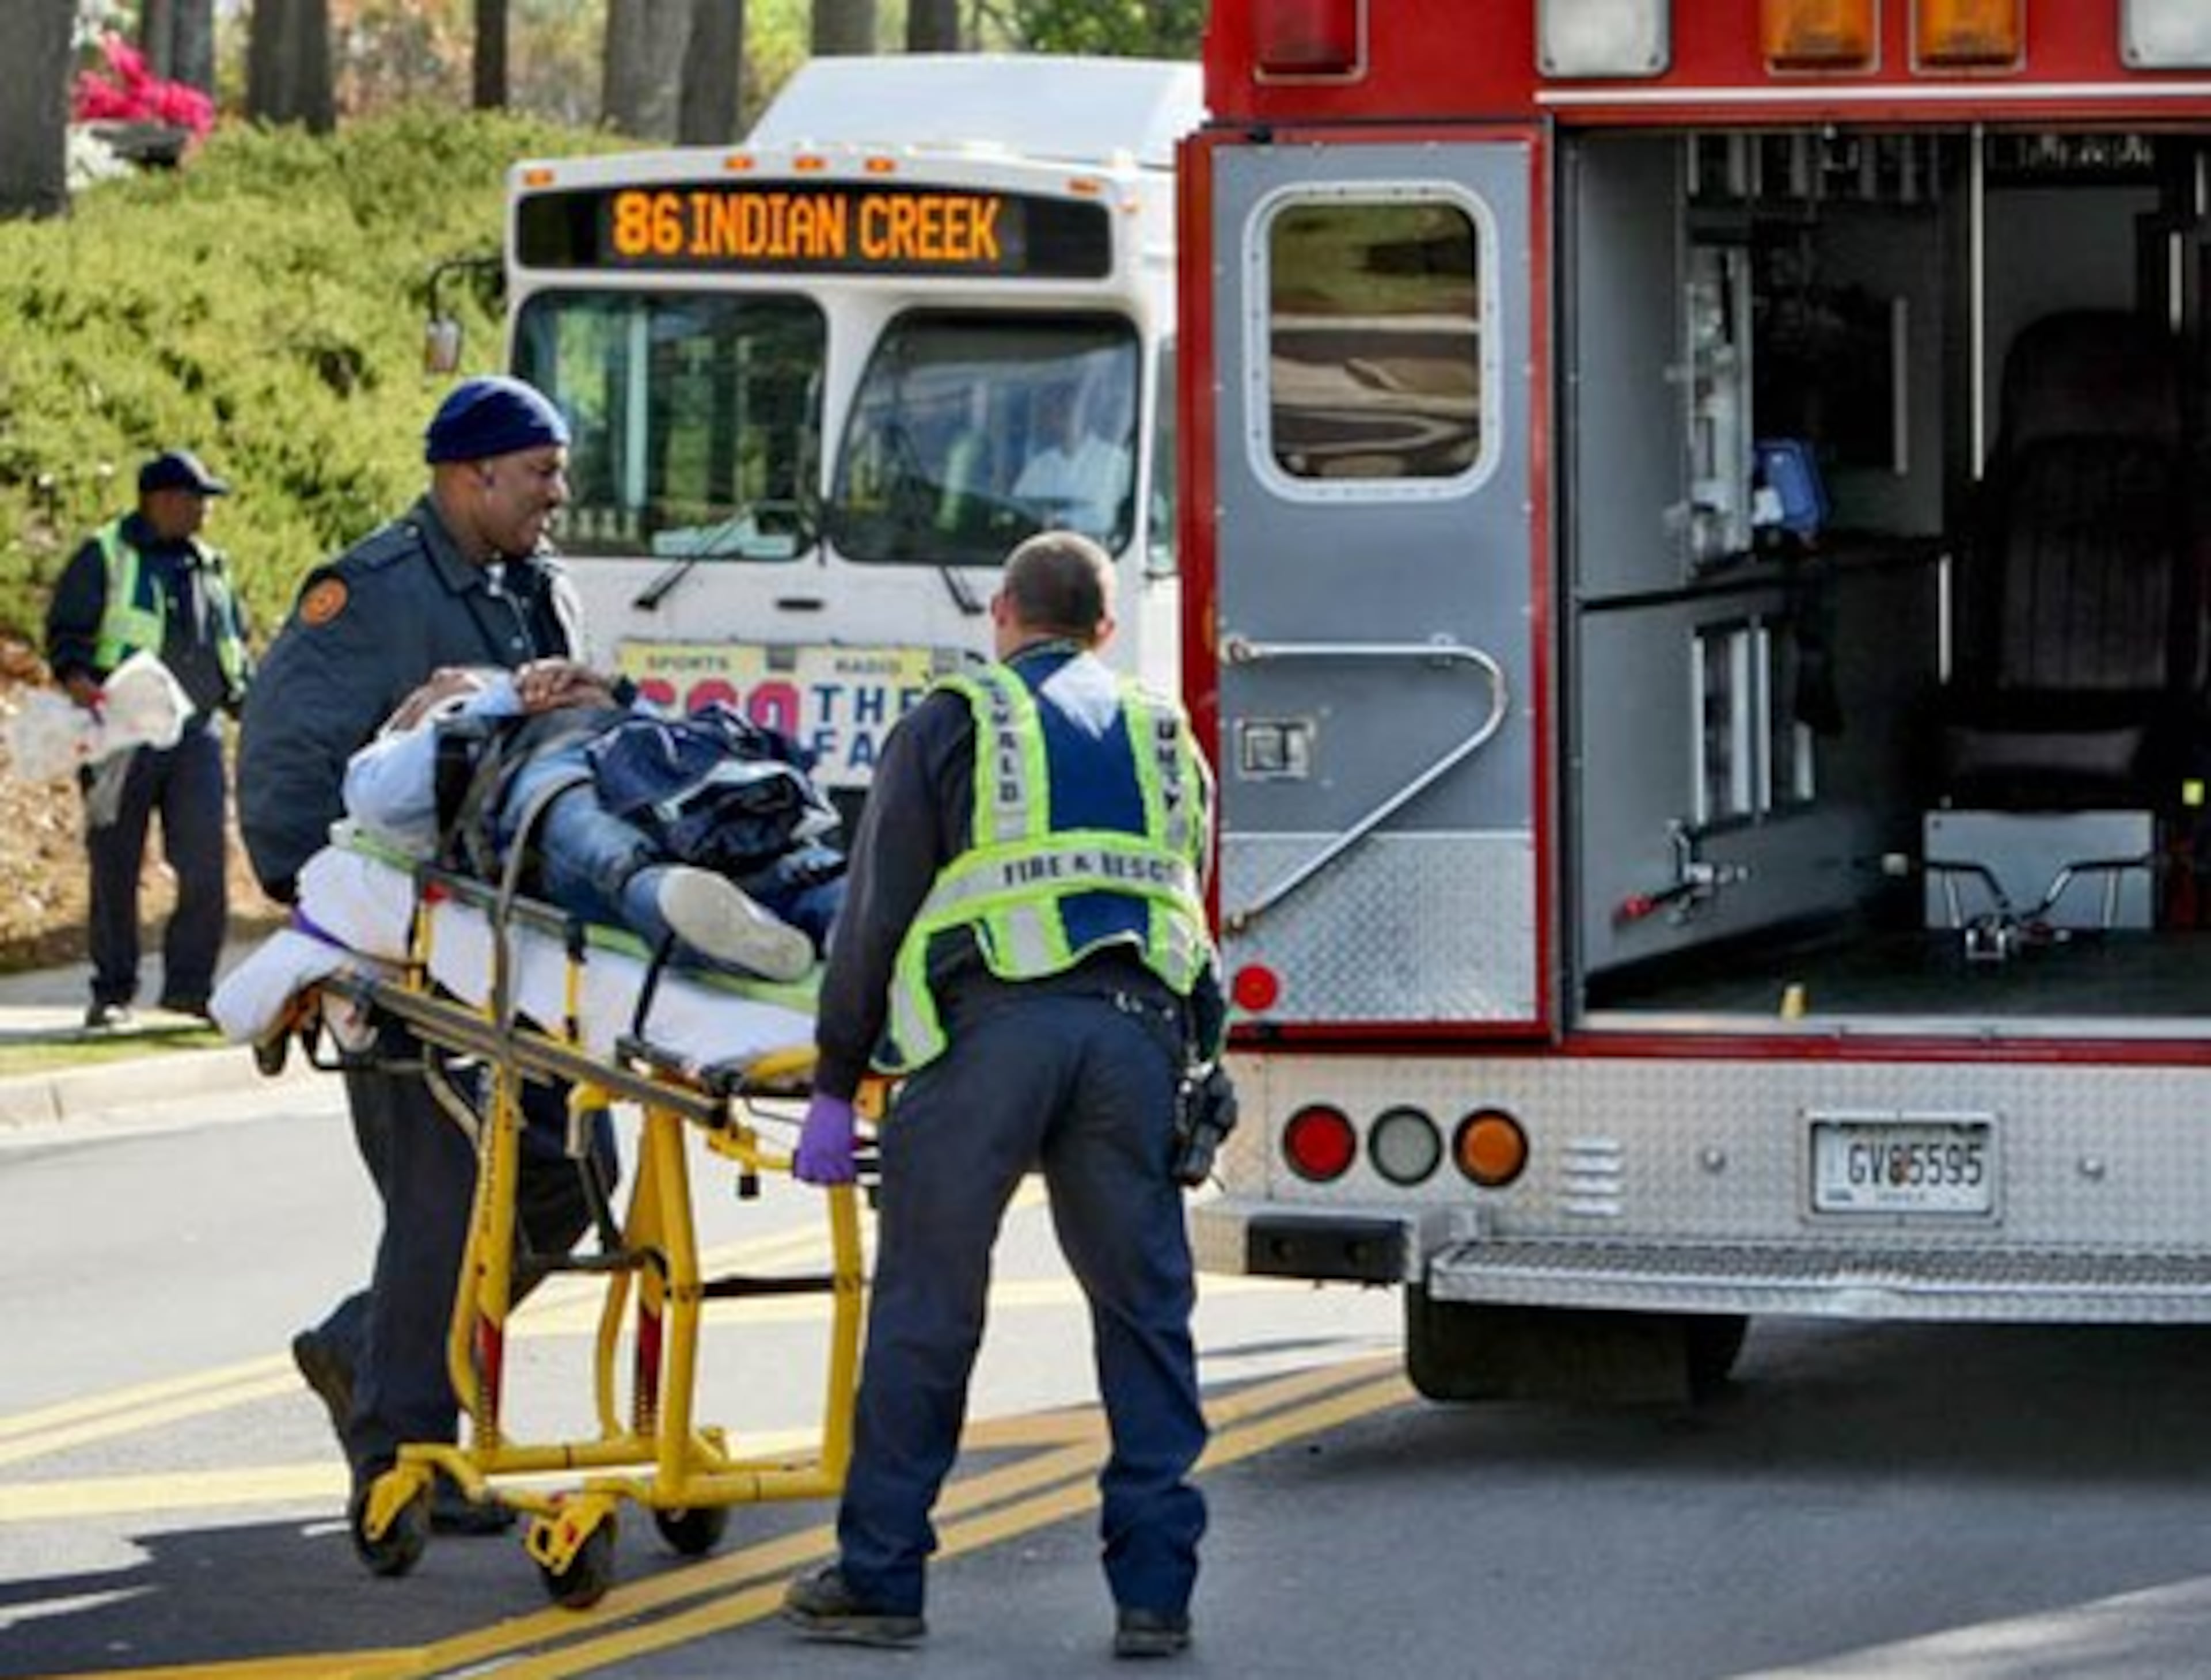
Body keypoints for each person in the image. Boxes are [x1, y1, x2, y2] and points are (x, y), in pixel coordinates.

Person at [781, 531, 1222, 1660]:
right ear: (1105, 631)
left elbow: (878, 911)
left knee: (930, 1311)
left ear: (1003, 614)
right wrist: (1198, 1069)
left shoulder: (954, 721)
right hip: (1134, 1043)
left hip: (988, 1045)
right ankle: (1156, 1597)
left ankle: (881, 1580)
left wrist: (838, 1082)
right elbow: (1189, 910)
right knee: (1145, 1316)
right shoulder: (1166, 734)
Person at [237, 375, 614, 1537]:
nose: (559, 492)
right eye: (541, 472)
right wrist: (332, 933)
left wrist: (580, 695)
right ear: (471, 476)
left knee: (567, 1182)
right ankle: (403, 1461)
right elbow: (285, 774)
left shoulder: (541, 591)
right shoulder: (369, 598)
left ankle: (366, 1346)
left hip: (523, 952)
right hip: (404, 959)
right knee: (443, 1192)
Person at [340, 661, 840, 977]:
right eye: (436, 682)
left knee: (770, 842)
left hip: (649, 771)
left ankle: (847, 913)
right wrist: (504, 697)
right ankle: (675, 901)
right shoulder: (398, 751)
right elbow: (385, 798)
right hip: (546, 778)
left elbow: (671, 735)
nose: (447, 672)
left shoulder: (563, 698)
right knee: (586, 830)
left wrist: (609, 692)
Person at [44, 448, 253, 1030]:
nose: (204, 512)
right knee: (115, 865)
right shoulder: (105, 554)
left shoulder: (212, 565)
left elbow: (233, 645)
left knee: (206, 863)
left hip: (195, 738)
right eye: (196, 500)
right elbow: (67, 637)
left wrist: (248, 704)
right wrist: (80, 682)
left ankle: (189, 989)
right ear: (161, 501)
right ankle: (111, 992)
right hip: (120, 736)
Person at [1011, 374, 1134, 540]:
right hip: (1047, 555)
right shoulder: (1039, 466)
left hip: (1102, 555)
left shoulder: (1116, 461)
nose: (1062, 416)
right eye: (1056, 410)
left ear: (1087, 414)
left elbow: (1152, 514)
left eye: (1068, 409)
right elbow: (1018, 514)